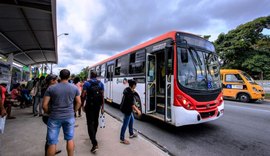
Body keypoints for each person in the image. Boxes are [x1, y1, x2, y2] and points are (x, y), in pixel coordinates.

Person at [43, 69, 81, 156]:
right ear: (69, 77)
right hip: (69, 117)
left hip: (54, 117)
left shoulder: (51, 88)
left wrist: (48, 113)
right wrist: (74, 111)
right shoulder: (74, 88)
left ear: (60, 76)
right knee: (70, 139)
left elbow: (44, 105)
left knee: (52, 142)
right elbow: (79, 102)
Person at [81, 71, 104, 153]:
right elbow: (102, 96)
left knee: (90, 122)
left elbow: (83, 95)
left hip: (89, 106)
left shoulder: (87, 83)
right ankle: (93, 136)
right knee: (96, 121)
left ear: (90, 76)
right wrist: (102, 107)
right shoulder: (100, 83)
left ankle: (94, 142)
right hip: (97, 106)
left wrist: (82, 105)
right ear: (96, 76)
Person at [42, 74, 61, 156]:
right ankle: (48, 153)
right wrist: (49, 113)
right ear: (52, 81)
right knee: (50, 137)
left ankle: (53, 150)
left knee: (53, 135)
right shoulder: (50, 89)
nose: (57, 81)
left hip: (50, 116)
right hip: (49, 116)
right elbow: (44, 106)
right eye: (56, 80)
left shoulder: (49, 88)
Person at [120, 79, 141, 145]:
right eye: (135, 85)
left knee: (132, 119)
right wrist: (138, 110)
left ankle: (131, 134)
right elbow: (132, 104)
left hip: (127, 109)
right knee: (125, 124)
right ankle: (122, 139)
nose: (136, 86)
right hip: (127, 110)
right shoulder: (130, 94)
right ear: (133, 85)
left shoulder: (128, 90)